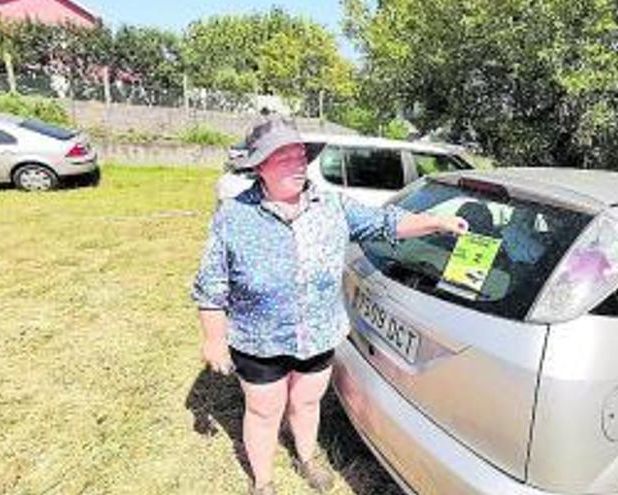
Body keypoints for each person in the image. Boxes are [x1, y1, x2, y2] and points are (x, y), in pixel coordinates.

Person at [191, 118, 468, 495]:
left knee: (307, 401)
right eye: (283, 156)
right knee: (263, 411)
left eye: (300, 155)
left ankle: (306, 457)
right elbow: (211, 284)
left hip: (318, 331)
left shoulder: (331, 203)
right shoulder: (234, 216)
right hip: (259, 339)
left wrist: (436, 222)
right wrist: (213, 339)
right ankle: (264, 482)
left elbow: (383, 223)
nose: (297, 164)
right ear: (259, 167)